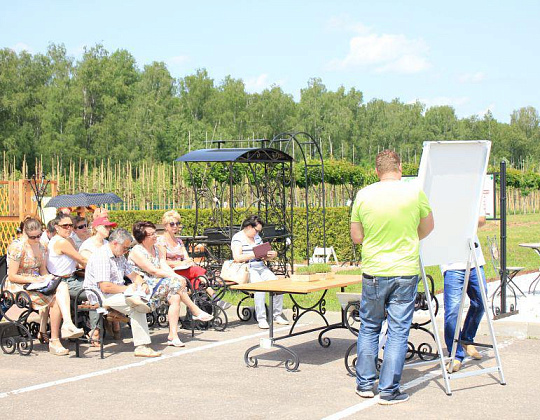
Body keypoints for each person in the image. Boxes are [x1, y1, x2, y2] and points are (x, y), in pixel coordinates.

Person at [350, 150, 434, 405]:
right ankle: (389, 390)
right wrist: (407, 239)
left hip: (374, 269)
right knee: (398, 330)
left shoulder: (364, 195)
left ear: (376, 170)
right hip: (405, 270)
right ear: (400, 168)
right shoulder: (413, 191)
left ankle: (365, 383)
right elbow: (429, 226)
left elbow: (357, 236)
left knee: (369, 325)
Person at [6, 217, 84, 356]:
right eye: (33, 237)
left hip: (36, 282)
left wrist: (48, 278)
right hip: (18, 286)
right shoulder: (17, 247)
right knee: (54, 299)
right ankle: (54, 340)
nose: (36, 239)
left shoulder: (41, 246)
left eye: (39, 236)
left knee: (61, 285)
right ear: (25, 233)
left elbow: (43, 270)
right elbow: (12, 276)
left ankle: (67, 324)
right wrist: (33, 279)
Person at [128, 221, 214, 348]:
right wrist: (175, 278)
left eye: (154, 232)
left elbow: (163, 266)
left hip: (161, 282)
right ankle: (194, 310)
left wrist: (177, 277)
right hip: (145, 285)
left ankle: (173, 335)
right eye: (151, 234)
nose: (155, 236)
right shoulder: (137, 251)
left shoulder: (156, 249)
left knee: (175, 296)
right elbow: (152, 270)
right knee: (176, 284)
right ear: (142, 237)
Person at [83, 228, 161, 357]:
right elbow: (105, 287)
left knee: (137, 302)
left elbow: (133, 275)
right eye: (125, 248)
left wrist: (142, 283)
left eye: (128, 248)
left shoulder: (119, 255)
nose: (126, 251)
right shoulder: (102, 256)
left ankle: (136, 302)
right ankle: (141, 346)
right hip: (100, 295)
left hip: (117, 292)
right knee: (136, 307)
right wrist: (128, 289)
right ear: (114, 243)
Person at [156, 210, 231, 310]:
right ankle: (214, 297)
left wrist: (189, 261)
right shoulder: (161, 241)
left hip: (184, 270)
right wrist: (180, 263)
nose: (175, 226)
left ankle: (198, 309)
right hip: (171, 272)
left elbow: (186, 257)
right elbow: (163, 262)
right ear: (165, 226)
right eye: (172, 224)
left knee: (195, 280)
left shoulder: (178, 241)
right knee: (197, 271)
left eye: (177, 223)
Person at [442, 214, 487, 373]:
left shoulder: (470, 195)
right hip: (452, 264)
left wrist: (464, 220)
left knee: (481, 302)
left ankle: (467, 339)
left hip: (475, 261)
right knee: (453, 311)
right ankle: (455, 354)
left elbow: (482, 220)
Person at [231, 215, 289, 329]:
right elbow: (237, 258)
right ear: (248, 227)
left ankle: (277, 315)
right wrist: (254, 254)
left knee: (277, 285)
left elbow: (262, 256)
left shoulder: (257, 237)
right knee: (260, 288)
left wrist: (271, 255)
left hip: (261, 266)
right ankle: (261, 318)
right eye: (256, 230)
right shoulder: (238, 238)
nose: (257, 233)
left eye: (259, 231)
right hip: (248, 268)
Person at [80, 216, 120, 341]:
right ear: (96, 228)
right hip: (93, 281)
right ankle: (95, 330)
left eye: (110, 227)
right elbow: (89, 266)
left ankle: (115, 322)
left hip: (107, 280)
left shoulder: (108, 244)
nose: (109, 229)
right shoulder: (87, 245)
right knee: (96, 294)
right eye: (106, 226)